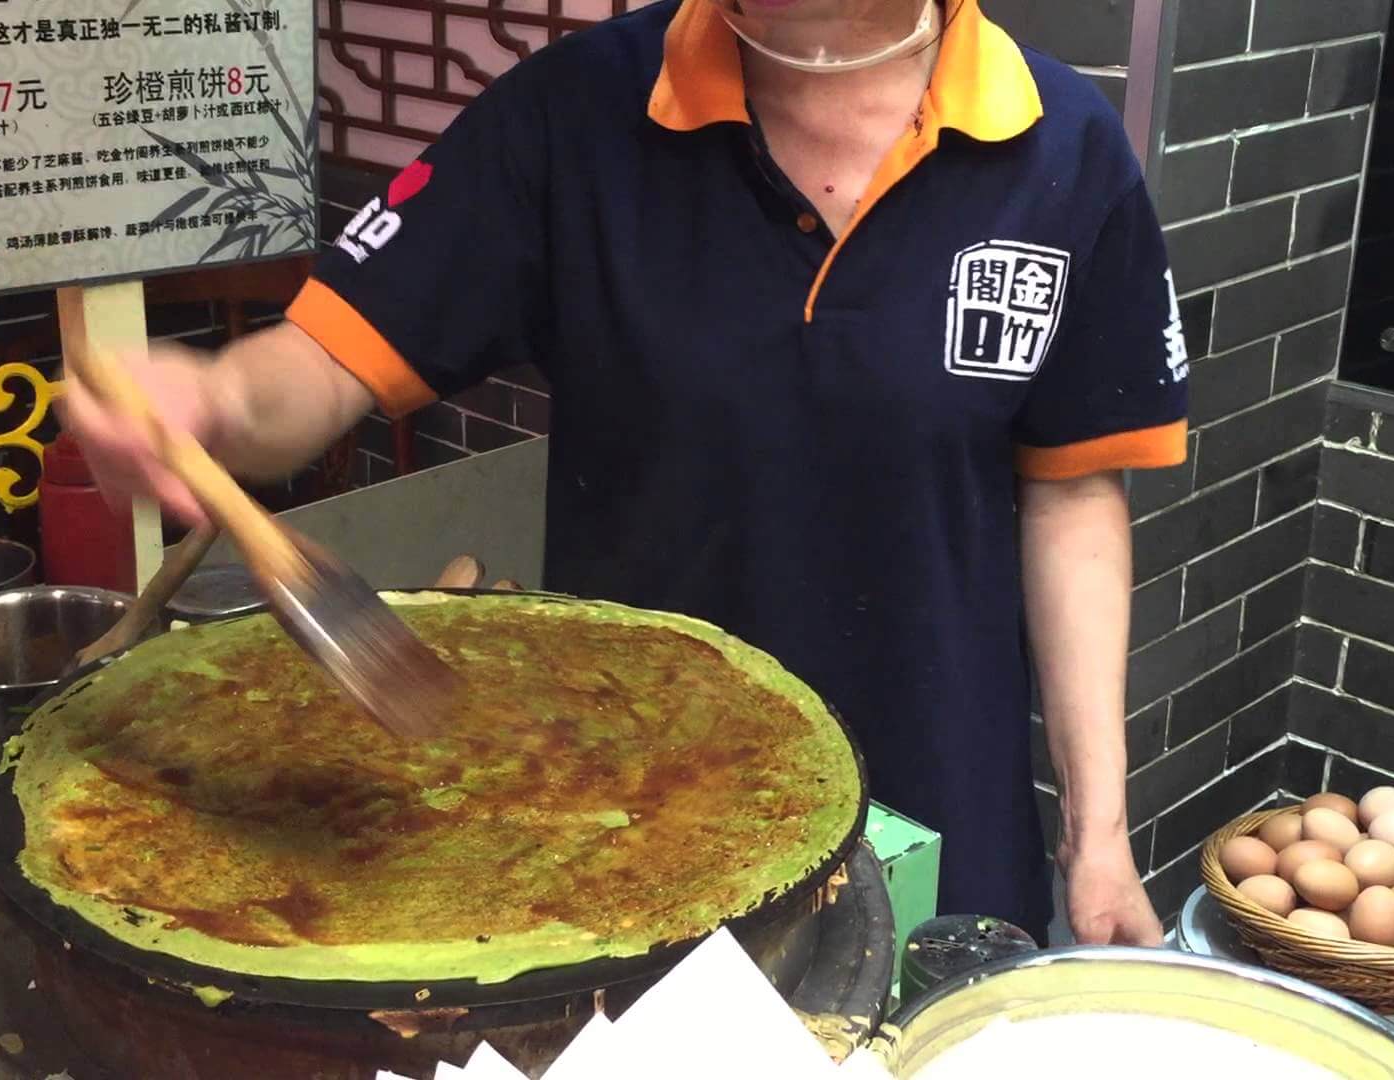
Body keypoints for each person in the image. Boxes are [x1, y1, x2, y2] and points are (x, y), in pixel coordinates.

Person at [62, 0, 1188, 946]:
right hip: (624, 818)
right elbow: (315, 366)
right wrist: (210, 402)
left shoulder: (1065, 151)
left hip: (938, 801)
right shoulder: (577, 112)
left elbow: (1075, 492)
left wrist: (1097, 835)